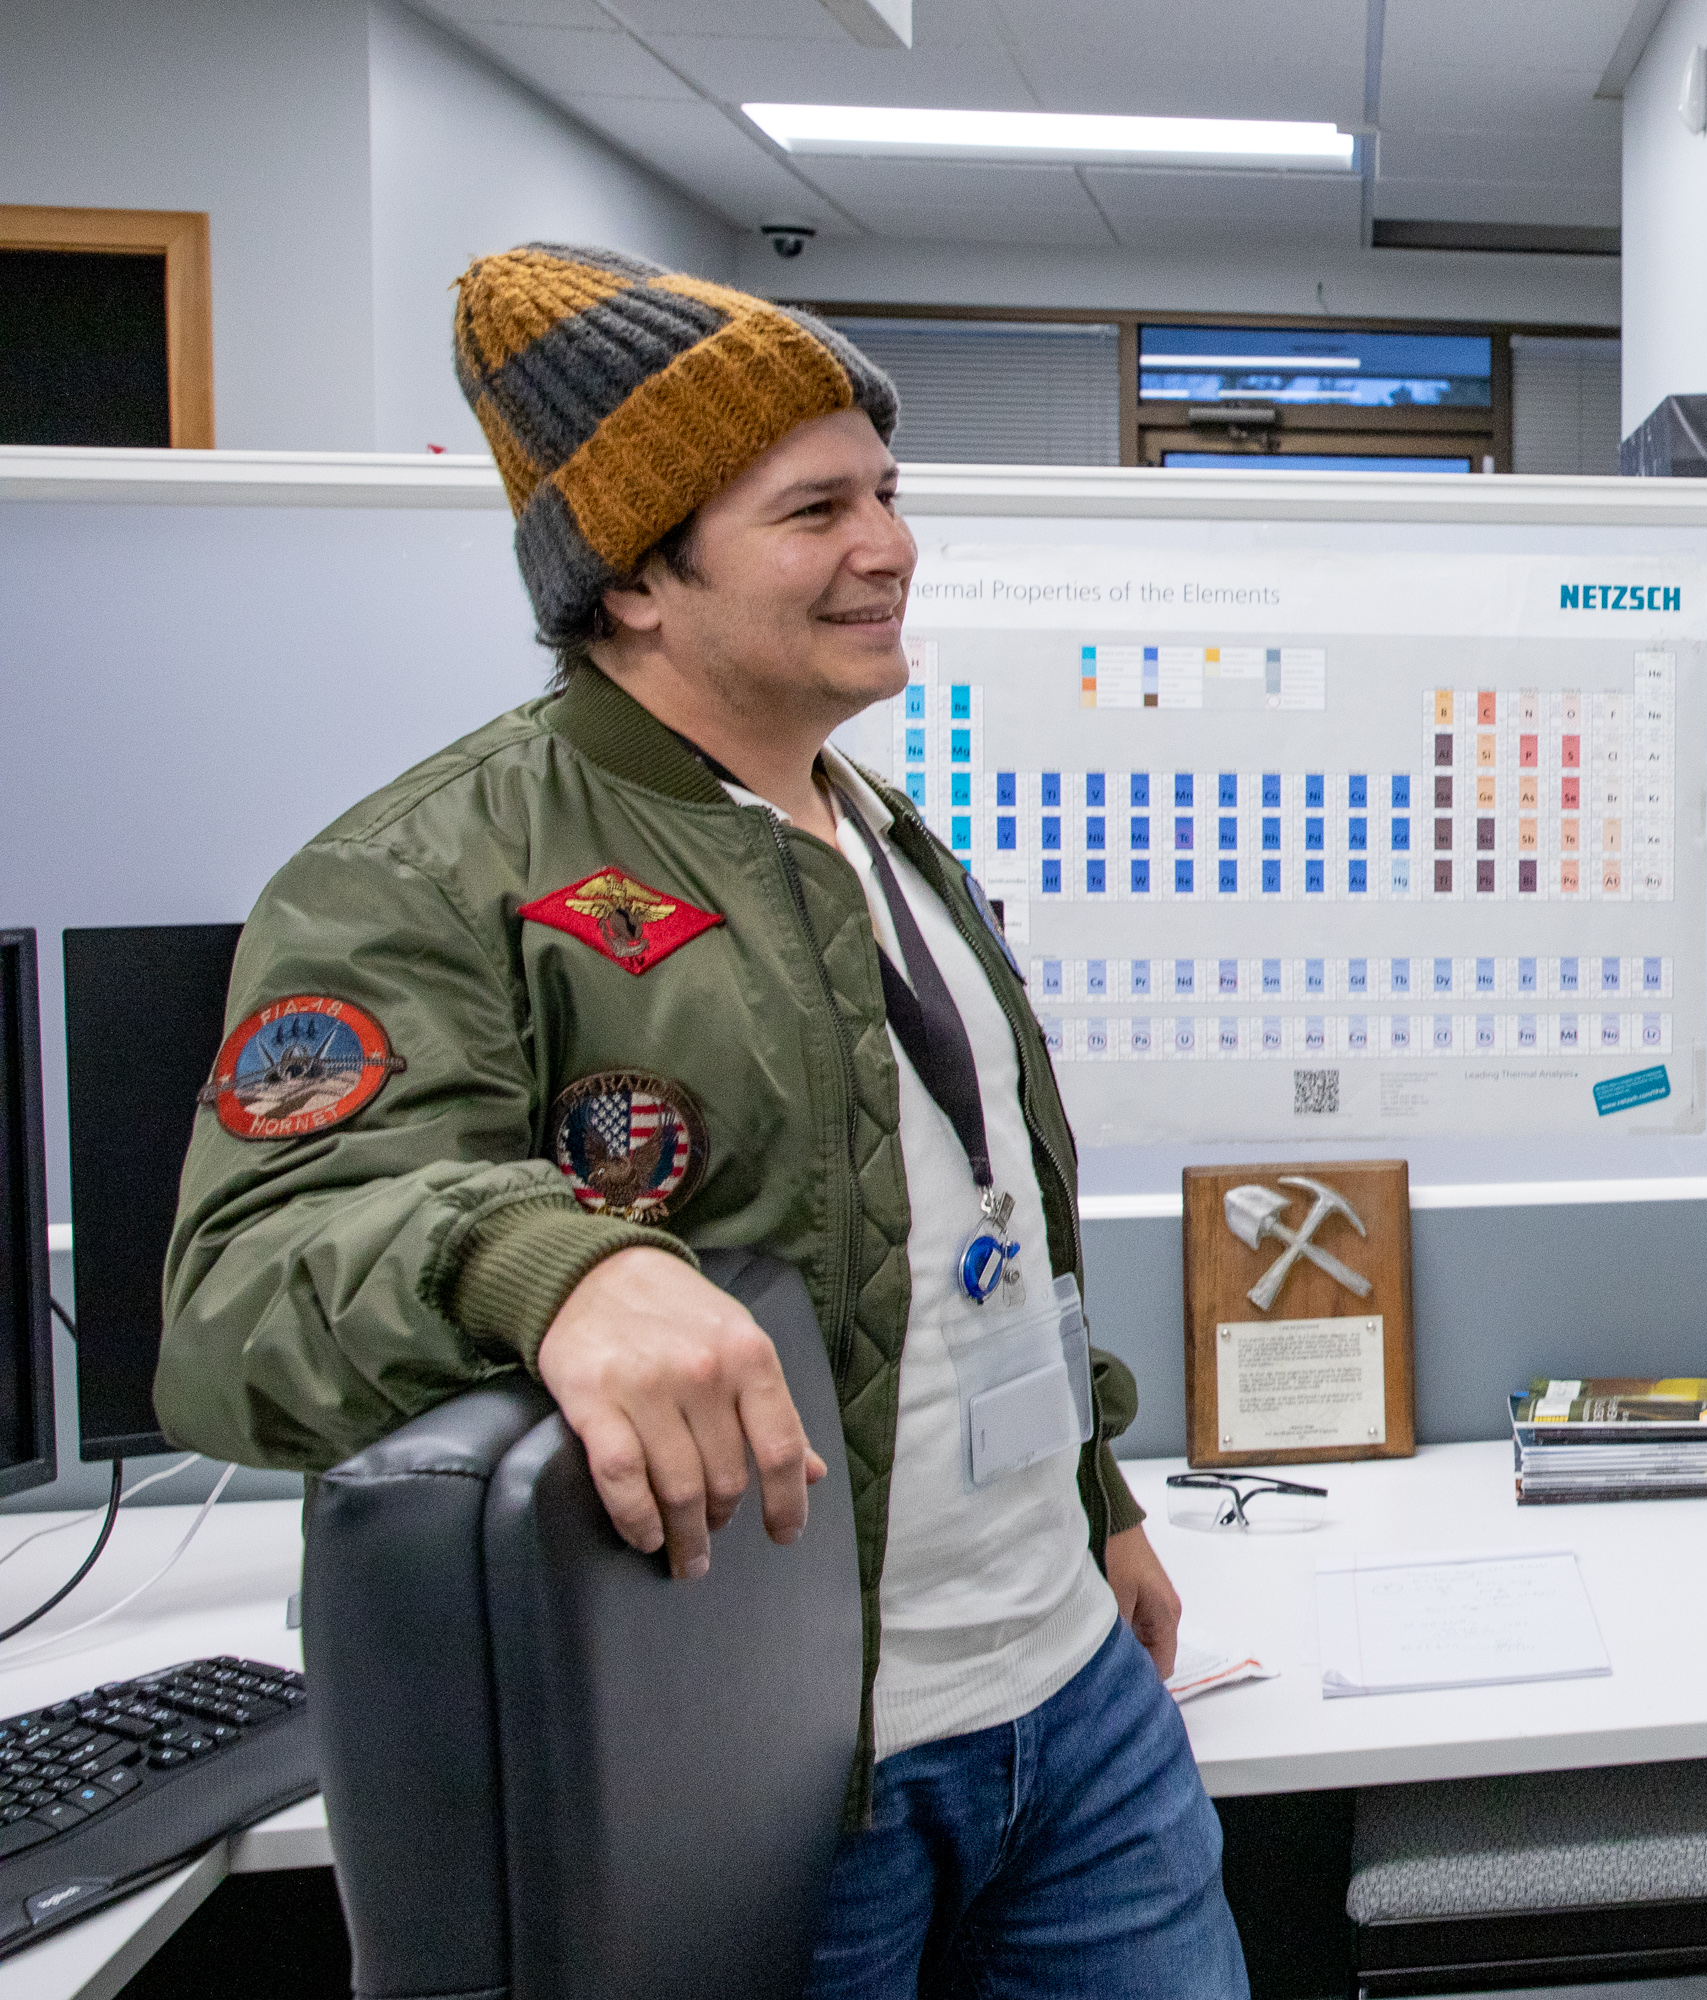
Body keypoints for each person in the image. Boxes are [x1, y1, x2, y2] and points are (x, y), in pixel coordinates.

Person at [156, 242, 1250, 1999]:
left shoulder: (878, 836)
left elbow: (980, 1238)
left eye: (887, 494)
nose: (889, 546)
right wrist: (545, 1265)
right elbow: (237, 1302)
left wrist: (1097, 1499)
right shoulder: (430, 873)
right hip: (766, 1781)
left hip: (1073, 1712)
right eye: (815, 510)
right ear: (635, 581)